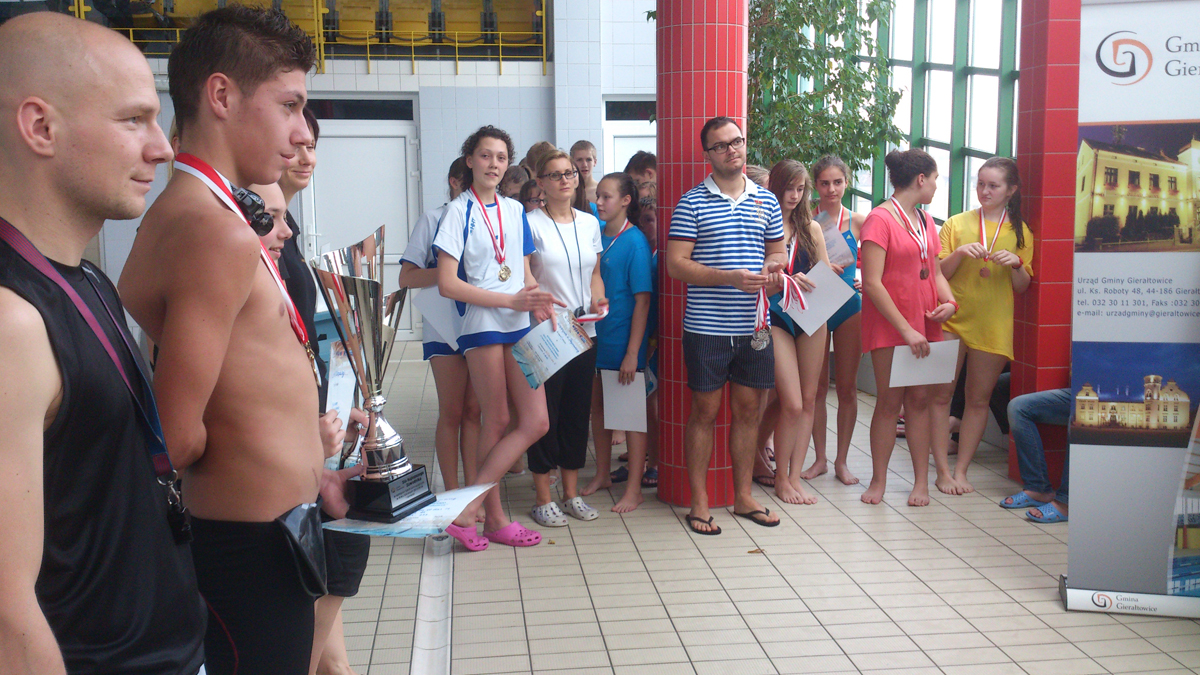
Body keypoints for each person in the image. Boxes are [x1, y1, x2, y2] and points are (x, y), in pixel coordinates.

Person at [119, 8, 356, 673]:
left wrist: (307, 462)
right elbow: (178, 434)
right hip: (249, 544)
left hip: (273, 527)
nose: (301, 132)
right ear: (221, 96)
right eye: (289, 105)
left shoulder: (203, 212)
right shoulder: (214, 230)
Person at [0, 13, 205, 672]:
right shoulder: (12, 321)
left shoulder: (88, 281)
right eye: (133, 120)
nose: (163, 148)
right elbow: (7, 614)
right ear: (40, 126)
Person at [272, 108, 372, 675]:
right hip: (281, 445)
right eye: (294, 145)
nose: (305, 157)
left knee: (331, 592)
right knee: (331, 568)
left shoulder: (285, 229)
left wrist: (334, 406)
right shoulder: (245, 232)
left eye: (312, 145)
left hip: (311, 423)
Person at [434, 126, 559, 551]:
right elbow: (448, 284)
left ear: (509, 165)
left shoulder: (514, 209)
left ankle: (468, 510)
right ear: (470, 160)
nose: (493, 164)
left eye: (501, 157)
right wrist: (509, 301)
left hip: (518, 319)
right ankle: (494, 518)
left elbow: (522, 274)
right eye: (485, 155)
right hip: (483, 323)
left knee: (536, 421)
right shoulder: (457, 212)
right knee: (498, 419)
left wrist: (537, 300)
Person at [666, 116, 785, 535]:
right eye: (721, 145)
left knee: (750, 410)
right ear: (708, 155)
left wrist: (773, 269)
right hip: (706, 326)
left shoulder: (766, 201)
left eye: (736, 141)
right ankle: (699, 501)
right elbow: (676, 264)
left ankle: (743, 496)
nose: (732, 150)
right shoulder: (692, 202)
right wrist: (729, 277)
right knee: (705, 410)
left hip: (755, 325)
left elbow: (777, 252)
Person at [858, 148, 959, 507]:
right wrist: (905, 330)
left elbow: (935, 271)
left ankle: (921, 482)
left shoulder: (926, 220)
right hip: (892, 325)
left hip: (924, 321)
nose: (936, 186)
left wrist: (950, 302)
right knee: (890, 403)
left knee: (919, 401)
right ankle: (878, 480)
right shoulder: (879, 220)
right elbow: (872, 283)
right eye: (935, 179)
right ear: (920, 179)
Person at [934, 157, 1034, 494]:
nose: (985, 191)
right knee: (940, 396)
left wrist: (1017, 264)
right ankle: (942, 471)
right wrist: (960, 253)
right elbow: (938, 274)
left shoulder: (1020, 232)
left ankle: (961, 471)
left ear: (1011, 190)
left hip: (993, 322)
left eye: (993, 185)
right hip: (953, 317)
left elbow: (1022, 287)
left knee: (978, 399)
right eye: (980, 184)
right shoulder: (956, 223)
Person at [526, 150, 607, 525]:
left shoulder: (590, 223)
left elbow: (595, 274)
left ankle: (571, 493)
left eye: (570, 173)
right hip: (546, 333)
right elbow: (525, 277)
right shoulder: (530, 223)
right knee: (546, 416)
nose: (565, 180)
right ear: (540, 183)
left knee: (576, 414)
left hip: (584, 330)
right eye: (555, 174)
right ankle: (543, 497)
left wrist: (597, 299)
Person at [400, 157, 480, 497]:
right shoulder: (433, 219)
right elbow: (407, 277)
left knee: (474, 411)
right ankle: (451, 490)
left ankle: (472, 490)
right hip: (443, 325)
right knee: (452, 410)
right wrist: (453, 272)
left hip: (480, 322)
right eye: (469, 183)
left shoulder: (487, 220)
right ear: (454, 182)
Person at [756, 160, 828, 505]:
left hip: (810, 313)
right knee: (792, 402)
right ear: (775, 187)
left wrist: (811, 280)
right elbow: (758, 282)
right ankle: (781, 477)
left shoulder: (811, 228)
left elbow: (825, 274)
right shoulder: (761, 227)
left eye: (800, 189)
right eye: (788, 188)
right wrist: (786, 280)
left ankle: (794, 476)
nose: (794, 196)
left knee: (810, 399)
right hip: (776, 315)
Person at [589, 172, 653, 512]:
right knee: (598, 409)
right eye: (598, 196)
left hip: (623, 339)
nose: (599, 202)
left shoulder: (635, 242)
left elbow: (642, 300)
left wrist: (632, 353)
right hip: (595, 337)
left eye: (607, 197)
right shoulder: (596, 234)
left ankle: (634, 489)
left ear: (626, 201)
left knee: (629, 417)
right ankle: (602, 474)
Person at [802, 155, 865, 486]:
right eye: (824, 183)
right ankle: (820, 458)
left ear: (846, 183)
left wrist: (865, 278)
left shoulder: (859, 221)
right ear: (815, 185)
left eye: (837, 182)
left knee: (847, 388)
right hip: (817, 304)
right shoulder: (807, 221)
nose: (831, 189)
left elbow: (881, 259)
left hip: (849, 307)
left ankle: (842, 460)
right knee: (815, 388)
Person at [1000, 389, 1071, 523]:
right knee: (1018, 407)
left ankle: (1066, 502)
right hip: (1078, 391)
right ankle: (1038, 488)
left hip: (1107, 395)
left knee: (1080, 415)